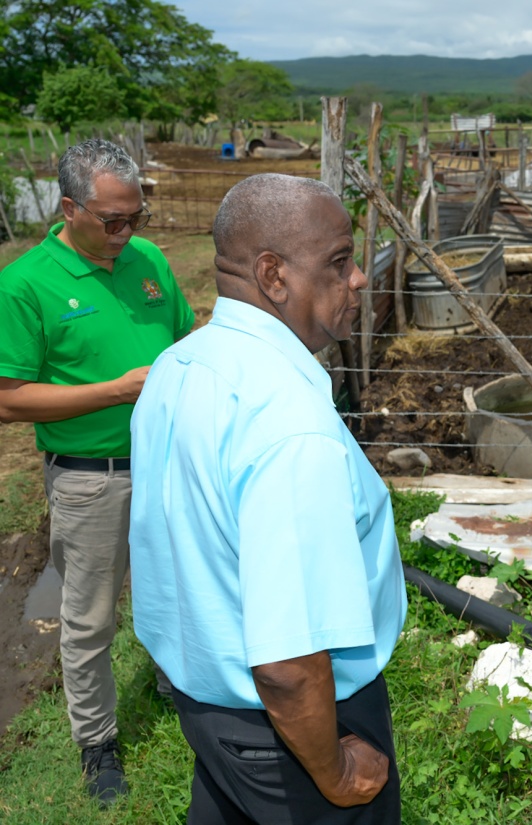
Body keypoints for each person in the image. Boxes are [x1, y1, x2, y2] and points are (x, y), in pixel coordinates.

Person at [128, 173, 406, 823]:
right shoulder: (288, 423)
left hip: (208, 707)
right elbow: (288, 660)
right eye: (339, 261)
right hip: (297, 726)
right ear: (273, 275)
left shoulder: (178, 367)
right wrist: (333, 772)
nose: (358, 279)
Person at [0, 138, 194, 806]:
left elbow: (185, 338)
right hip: (91, 476)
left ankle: (176, 684)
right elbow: (9, 399)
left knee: (174, 583)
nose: (126, 232)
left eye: (136, 216)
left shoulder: (149, 261)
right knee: (89, 617)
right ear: (68, 208)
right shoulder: (26, 284)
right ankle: (98, 743)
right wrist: (116, 391)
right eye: (113, 220)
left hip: (165, 460)